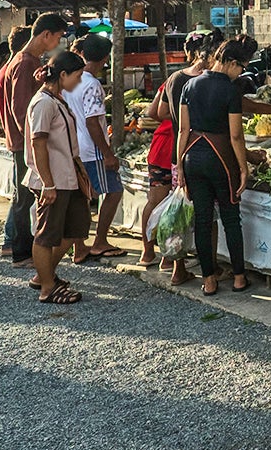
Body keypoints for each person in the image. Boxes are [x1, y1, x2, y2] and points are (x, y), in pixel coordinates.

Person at [177, 35, 255, 296]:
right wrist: (243, 168)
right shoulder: (231, 90)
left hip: (192, 158)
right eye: (242, 67)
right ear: (232, 62)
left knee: (202, 219)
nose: (241, 72)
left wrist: (180, 167)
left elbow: (183, 130)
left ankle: (208, 280)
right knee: (231, 219)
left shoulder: (189, 85)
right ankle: (239, 278)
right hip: (220, 158)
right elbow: (235, 135)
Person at [140, 27, 220, 274]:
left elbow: (157, 113)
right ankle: (208, 268)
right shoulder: (209, 82)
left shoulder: (174, 79)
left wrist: (175, 118)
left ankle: (163, 258)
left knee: (169, 206)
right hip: (192, 150)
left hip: (172, 150)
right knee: (199, 212)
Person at [0, 14, 68, 268]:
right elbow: (21, 110)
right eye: (57, 37)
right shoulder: (25, 63)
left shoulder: (25, 61)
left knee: (24, 196)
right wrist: (35, 143)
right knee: (24, 197)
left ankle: (20, 248)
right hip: (25, 143)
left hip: (22, 141)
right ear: (45, 34)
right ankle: (21, 252)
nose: (57, 43)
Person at [25, 50, 92, 304]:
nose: (79, 81)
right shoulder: (43, 103)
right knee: (47, 233)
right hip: (53, 179)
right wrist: (47, 183)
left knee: (74, 228)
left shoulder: (56, 99)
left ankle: (45, 276)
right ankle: (47, 287)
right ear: (62, 75)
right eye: (77, 75)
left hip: (68, 176)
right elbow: (38, 143)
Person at [67, 34, 127, 262]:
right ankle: (99, 240)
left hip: (75, 147)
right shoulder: (92, 85)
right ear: (104, 58)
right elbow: (93, 122)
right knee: (113, 191)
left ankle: (79, 245)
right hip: (92, 151)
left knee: (81, 197)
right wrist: (108, 153)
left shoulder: (71, 80)